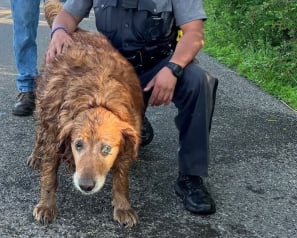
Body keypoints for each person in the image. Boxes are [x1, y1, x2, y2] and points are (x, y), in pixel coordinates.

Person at [47, 0, 218, 214]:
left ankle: (191, 177)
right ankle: (132, 122)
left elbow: (194, 33)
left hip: (157, 68)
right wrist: (59, 31)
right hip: (112, 73)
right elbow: (68, 16)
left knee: (199, 81)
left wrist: (174, 68)